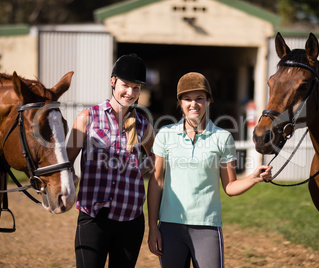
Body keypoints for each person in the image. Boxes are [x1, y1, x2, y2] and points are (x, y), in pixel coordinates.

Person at [147, 72, 273, 268]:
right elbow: (156, 183)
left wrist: (254, 178)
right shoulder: (165, 135)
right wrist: (152, 227)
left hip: (207, 228)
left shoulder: (222, 138)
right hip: (170, 227)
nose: (193, 104)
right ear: (180, 102)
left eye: (199, 98)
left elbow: (230, 186)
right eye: (187, 99)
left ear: (209, 101)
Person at [66, 54, 155, 268]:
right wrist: (72, 176)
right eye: (126, 85)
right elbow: (67, 161)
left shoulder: (143, 125)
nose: (130, 92)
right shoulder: (87, 117)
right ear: (113, 81)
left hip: (130, 217)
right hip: (93, 216)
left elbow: (156, 157)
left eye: (136, 88)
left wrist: (138, 170)